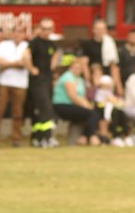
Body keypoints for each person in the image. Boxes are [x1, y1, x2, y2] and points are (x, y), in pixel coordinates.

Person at [52, 55, 101, 146]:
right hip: (62, 105)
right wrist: (85, 106)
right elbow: (73, 96)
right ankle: (91, 137)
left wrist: (87, 104)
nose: (77, 70)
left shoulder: (79, 80)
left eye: (79, 68)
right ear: (70, 68)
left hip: (73, 106)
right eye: (75, 68)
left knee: (92, 112)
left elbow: (82, 96)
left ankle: (82, 137)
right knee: (91, 114)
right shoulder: (68, 77)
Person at [28, 18, 60, 148]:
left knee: (41, 110)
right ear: (40, 29)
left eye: (49, 29)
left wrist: (53, 67)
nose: (47, 31)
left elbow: (56, 54)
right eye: (44, 28)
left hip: (47, 81)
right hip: (38, 82)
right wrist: (31, 68)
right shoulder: (35, 42)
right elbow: (25, 56)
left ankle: (38, 138)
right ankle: (47, 137)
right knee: (46, 109)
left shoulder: (51, 44)